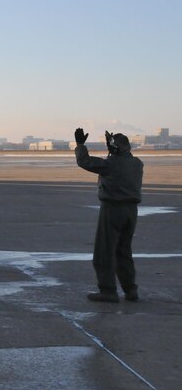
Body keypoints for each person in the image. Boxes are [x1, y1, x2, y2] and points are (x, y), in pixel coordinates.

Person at [74, 128, 144, 302]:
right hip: (131, 211)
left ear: (116, 148)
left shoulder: (111, 164)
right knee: (123, 251)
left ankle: (108, 291)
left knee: (104, 252)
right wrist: (114, 148)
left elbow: (85, 162)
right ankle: (130, 289)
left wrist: (80, 145)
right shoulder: (137, 164)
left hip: (113, 209)